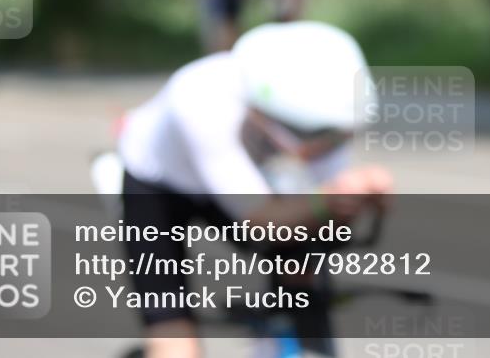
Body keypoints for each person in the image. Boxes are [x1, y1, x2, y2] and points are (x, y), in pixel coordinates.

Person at [117, 21, 391, 358]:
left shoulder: (329, 116)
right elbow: (259, 219)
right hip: (160, 185)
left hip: (246, 173)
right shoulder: (200, 96)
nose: (326, 148)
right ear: (258, 110)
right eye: (314, 137)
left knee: (303, 268)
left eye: (339, 137)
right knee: (172, 332)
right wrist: (330, 200)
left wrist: (350, 201)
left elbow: (316, 217)